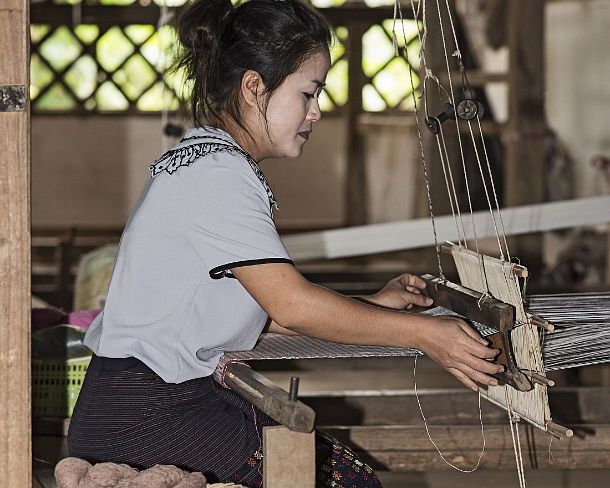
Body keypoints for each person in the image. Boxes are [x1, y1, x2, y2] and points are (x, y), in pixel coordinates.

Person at [67, 0, 503, 486]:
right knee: (347, 480)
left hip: (138, 405)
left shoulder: (201, 160)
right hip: (148, 413)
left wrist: (371, 307)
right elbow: (293, 307)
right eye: (308, 93)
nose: (316, 112)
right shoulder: (217, 175)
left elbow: (254, 311)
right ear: (254, 87)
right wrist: (424, 334)